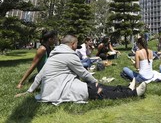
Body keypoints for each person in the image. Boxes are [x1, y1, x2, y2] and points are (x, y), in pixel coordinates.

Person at [15, 35, 147, 104]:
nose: (77, 45)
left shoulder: (56, 53)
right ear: (72, 44)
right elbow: (84, 73)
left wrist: (29, 91)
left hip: (58, 87)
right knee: (98, 91)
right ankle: (133, 94)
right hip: (62, 90)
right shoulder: (68, 55)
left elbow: (40, 75)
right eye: (76, 43)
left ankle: (127, 88)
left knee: (97, 86)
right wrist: (96, 83)